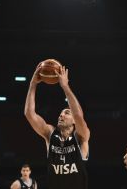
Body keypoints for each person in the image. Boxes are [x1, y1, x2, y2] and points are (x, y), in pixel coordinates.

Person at [24, 59, 90, 189]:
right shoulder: (50, 133)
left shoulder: (81, 136)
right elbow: (29, 114)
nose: (61, 115)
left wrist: (65, 86)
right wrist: (32, 84)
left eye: (66, 113)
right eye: (60, 113)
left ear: (73, 122)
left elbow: (78, 116)